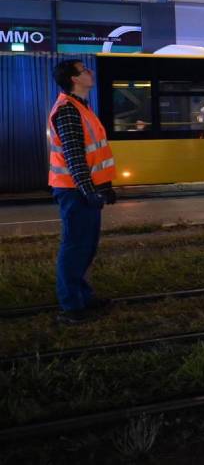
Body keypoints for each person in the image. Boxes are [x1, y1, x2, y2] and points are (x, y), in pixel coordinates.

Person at [47, 60, 117, 324]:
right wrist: (89, 191)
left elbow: (93, 154)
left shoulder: (81, 107)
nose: (90, 72)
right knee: (75, 247)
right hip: (74, 191)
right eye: (84, 70)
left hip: (83, 190)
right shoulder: (67, 110)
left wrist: (104, 186)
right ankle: (71, 307)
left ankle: (83, 297)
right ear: (75, 79)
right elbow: (75, 157)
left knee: (86, 248)